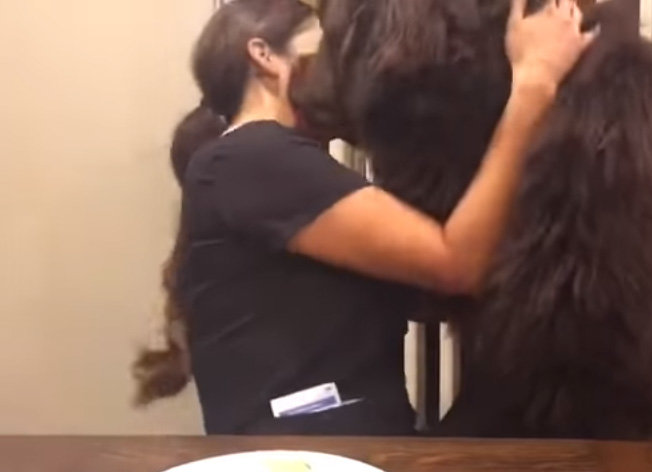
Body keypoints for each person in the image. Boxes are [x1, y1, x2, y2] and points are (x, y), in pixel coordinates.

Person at [133, 0, 594, 435]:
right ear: (264, 56)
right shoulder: (252, 156)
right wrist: (534, 82)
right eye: (330, 44)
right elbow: (456, 263)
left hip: (334, 443)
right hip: (307, 451)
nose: (347, 64)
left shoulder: (269, 169)